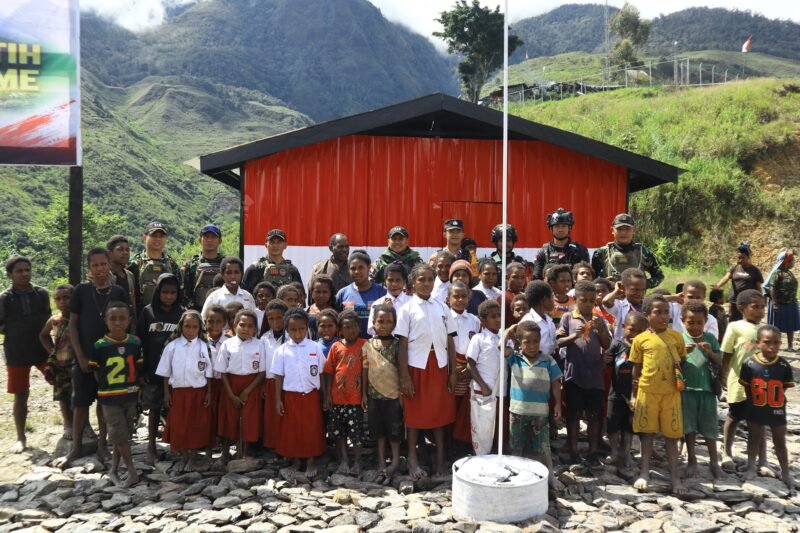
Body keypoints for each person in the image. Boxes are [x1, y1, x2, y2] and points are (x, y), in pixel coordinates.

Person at [55, 249, 129, 469]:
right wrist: (80, 355)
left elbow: (126, 324)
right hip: (84, 356)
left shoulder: (118, 291)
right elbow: (73, 325)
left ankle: (102, 446)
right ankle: (76, 447)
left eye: (103, 264)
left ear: (109, 264)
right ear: (89, 268)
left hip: (110, 358)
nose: (100, 269)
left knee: (104, 402)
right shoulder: (81, 291)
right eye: (95, 265)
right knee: (80, 403)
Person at [397, 263, 457, 479]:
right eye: (421, 279)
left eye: (430, 279)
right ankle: (413, 461)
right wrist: (404, 376)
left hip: (439, 366)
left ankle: (440, 460)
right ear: (413, 282)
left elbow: (450, 339)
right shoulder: (406, 309)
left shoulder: (442, 307)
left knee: (439, 414)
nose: (426, 283)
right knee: (414, 416)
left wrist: (452, 371)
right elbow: (402, 345)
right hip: (416, 367)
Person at [629, 294, 687, 495]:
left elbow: (682, 362)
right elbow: (636, 369)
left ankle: (675, 477)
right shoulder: (640, 340)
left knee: (672, 437)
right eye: (658, 312)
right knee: (647, 435)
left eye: (666, 312)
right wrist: (634, 395)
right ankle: (644, 472)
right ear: (646, 315)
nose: (663, 316)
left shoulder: (676, 337)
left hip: (671, 394)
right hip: (647, 393)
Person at [503, 321, 563, 490]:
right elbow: (501, 345)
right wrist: (509, 330)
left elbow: (556, 383)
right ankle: (515, 476)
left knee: (543, 447)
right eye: (526, 341)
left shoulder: (547, 360)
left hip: (540, 413)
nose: (531, 345)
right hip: (517, 411)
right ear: (519, 342)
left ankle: (550, 476)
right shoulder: (515, 358)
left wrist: (558, 405)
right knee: (516, 446)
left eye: (536, 341)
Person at [556, 281, 611, 465]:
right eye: (584, 300)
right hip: (574, 375)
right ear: (576, 300)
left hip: (595, 375)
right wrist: (574, 336)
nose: (588, 304)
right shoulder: (568, 318)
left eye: (591, 300)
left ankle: (593, 450)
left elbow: (607, 345)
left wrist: (602, 330)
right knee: (573, 414)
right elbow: (559, 341)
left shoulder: (598, 320)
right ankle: (572, 449)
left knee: (595, 415)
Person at [89, 301, 143, 487]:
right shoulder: (99, 346)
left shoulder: (135, 342)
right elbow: (97, 373)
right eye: (113, 319)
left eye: (122, 318)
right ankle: (131, 471)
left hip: (130, 396)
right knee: (118, 434)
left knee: (123, 436)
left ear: (129, 320)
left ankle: (113, 470)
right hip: (110, 398)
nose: (118, 323)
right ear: (106, 321)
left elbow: (139, 368)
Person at [0, 256, 51, 453]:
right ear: (10, 274)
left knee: (62, 385)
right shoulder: (5, 298)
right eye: (19, 271)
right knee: (21, 395)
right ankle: (21, 438)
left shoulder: (41, 294)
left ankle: (69, 427)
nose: (24, 274)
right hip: (16, 351)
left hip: (42, 348)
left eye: (27, 270)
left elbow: (48, 317)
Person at [739, 325, 796, 494]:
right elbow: (747, 387)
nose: (772, 346)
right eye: (767, 342)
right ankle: (751, 466)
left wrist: (773, 399)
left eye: (776, 343)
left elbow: (784, 387)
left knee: (780, 441)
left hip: (777, 408)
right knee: (754, 437)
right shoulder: (749, 363)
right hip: (755, 407)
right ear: (757, 343)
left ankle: (785, 472)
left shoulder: (784, 365)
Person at [271, 308, 328, 479]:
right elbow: (278, 377)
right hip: (291, 396)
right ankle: (296, 461)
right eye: (293, 330)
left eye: (301, 329)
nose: (298, 333)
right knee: (292, 429)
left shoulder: (315, 348)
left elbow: (322, 373)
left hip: (310, 396)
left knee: (311, 428)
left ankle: (310, 461)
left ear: (307, 329)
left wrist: (325, 397)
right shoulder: (281, 350)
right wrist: (278, 400)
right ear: (287, 330)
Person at [136, 273, 184, 466]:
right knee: (154, 409)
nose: (169, 296)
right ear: (158, 292)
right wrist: (141, 370)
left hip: (177, 373)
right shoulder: (148, 312)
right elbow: (139, 340)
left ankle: (178, 445)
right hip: (153, 370)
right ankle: (151, 448)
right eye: (165, 292)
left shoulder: (182, 313)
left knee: (176, 409)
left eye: (173, 293)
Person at [156, 310, 213, 472]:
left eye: (194, 327)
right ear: (181, 327)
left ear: (199, 328)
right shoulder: (172, 346)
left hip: (199, 393)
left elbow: (208, 372)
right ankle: (184, 456)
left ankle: (193, 457)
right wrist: (167, 393)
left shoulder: (204, 346)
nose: (190, 330)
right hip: (179, 393)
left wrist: (209, 392)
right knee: (180, 425)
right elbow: (165, 372)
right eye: (187, 326)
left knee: (196, 425)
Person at [720, 289, 767, 470]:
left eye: (763, 307)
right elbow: (727, 353)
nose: (760, 311)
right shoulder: (735, 327)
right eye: (755, 307)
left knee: (759, 423)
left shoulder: (766, 330)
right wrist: (723, 375)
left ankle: (760, 460)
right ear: (742, 308)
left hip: (761, 385)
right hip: (739, 382)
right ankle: (726, 453)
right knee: (734, 417)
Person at [680, 301, 724, 479]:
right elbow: (673, 363)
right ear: (683, 321)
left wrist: (710, 352)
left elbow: (720, 362)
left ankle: (714, 463)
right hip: (686, 389)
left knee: (710, 428)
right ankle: (692, 460)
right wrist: (683, 353)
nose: (695, 326)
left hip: (706, 390)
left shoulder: (710, 339)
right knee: (688, 427)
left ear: (705, 321)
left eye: (699, 323)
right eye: (691, 322)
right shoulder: (679, 339)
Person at [215, 309, 265, 459]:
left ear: (255, 329)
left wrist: (247, 391)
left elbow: (262, 371)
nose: (246, 329)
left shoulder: (259, 345)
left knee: (249, 419)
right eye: (242, 325)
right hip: (231, 385)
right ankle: (226, 451)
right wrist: (230, 394)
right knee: (230, 417)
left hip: (252, 386)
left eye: (250, 326)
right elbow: (222, 371)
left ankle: (245, 451)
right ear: (234, 325)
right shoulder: (227, 344)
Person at [323, 310, 367, 475]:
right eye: (347, 327)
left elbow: (366, 372)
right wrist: (327, 395)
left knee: (356, 432)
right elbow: (329, 371)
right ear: (340, 330)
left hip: (355, 398)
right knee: (338, 431)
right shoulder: (336, 346)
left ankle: (357, 461)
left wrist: (364, 395)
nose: (351, 330)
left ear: (359, 328)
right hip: (337, 398)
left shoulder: (364, 345)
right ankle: (343, 460)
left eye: (354, 327)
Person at [363, 304, 404, 479]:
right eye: (380, 321)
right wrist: (364, 393)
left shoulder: (397, 345)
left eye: (389, 322)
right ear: (373, 323)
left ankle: (395, 461)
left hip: (393, 396)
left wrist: (402, 395)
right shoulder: (368, 344)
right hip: (374, 396)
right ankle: (381, 460)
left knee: (394, 431)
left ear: (395, 325)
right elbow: (364, 369)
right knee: (378, 431)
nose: (384, 325)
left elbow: (402, 371)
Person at [606, 312, 648, 476]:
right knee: (612, 424)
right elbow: (607, 362)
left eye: (640, 331)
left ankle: (626, 454)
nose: (635, 334)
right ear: (623, 327)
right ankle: (614, 450)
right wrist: (604, 360)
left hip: (635, 393)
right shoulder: (617, 345)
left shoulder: (645, 347)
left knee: (629, 425)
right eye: (631, 329)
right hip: (616, 392)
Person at [39, 284, 75, 441]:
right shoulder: (55, 320)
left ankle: (83, 424)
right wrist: (51, 351)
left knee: (78, 396)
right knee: (62, 396)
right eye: (58, 299)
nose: (62, 302)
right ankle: (67, 424)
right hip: (59, 365)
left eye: (67, 298)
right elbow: (43, 335)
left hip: (76, 364)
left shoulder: (78, 318)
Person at [466, 300, 502, 455]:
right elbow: (470, 364)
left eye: (499, 315)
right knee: (481, 426)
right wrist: (483, 385)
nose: (498, 319)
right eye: (493, 316)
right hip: (483, 390)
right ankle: (481, 455)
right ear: (483, 320)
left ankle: (495, 453)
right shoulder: (479, 339)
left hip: (499, 389)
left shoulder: (503, 337)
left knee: (495, 424)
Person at [591, 213, 664, 288]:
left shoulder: (644, 252)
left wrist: (644, 284)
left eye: (627, 229)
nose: (623, 232)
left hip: (636, 298)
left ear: (634, 230)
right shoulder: (601, 253)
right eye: (619, 229)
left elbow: (659, 276)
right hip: (610, 297)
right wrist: (603, 283)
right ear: (612, 230)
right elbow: (592, 278)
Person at [448, 281, 481, 445]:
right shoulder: (444, 319)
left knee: (465, 408)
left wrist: (469, 368)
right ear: (448, 298)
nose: (460, 300)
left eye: (463, 296)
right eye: (456, 296)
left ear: (469, 298)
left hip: (469, 369)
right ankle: (449, 444)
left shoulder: (474, 321)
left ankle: (462, 442)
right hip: (450, 369)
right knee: (449, 406)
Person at [129, 222, 182, 314]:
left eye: (161, 236)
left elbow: (180, 291)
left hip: (167, 314)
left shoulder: (172, 265)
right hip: (140, 313)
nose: (158, 239)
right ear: (144, 237)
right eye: (153, 235)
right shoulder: (134, 263)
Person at [336, 251, 387, 339]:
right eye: (353, 268)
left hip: (375, 347)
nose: (357, 271)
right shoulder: (342, 294)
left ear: (369, 268)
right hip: (350, 348)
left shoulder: (382, 292)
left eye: (361, 268)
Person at [261, 301, 290, 450]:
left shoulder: (293, 335)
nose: (275, 322)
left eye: (279, 318)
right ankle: (275, 447)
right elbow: (262, 364)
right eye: (271, 319)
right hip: (271, 382)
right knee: (272, 416)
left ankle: (287, 445)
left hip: (289, 383)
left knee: (287, 415)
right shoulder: (265, 338)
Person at [532, 208, 590, 280]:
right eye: (557, 226)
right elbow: (536, 278)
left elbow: (587, 277)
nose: (560, 229)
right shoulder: (543, 252)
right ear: (551, 229)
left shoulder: (580, 250)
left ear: (569, 228)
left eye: (563, 226)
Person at [713, 242, 763, 322]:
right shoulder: (735, 268)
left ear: (748, 257)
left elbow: (758, 287)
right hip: (734, 301)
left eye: (743, 258)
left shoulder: (755, 271)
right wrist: (717, 286)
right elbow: (726, 277)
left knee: (748, 321)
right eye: (739, 258)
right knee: (733, 320)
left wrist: (761, 299)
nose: (740, 260)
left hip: (748, 302)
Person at [242, 229, 302, 293]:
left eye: (279, 242)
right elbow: (245, 295)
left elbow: (300, 296)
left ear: (285, 245)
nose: (275, 245)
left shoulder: (292, 270)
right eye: (272, 242)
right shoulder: (256, 268)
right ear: (266, 244)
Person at [204, 304, 227, 458]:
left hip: (223, 384)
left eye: (218, 322)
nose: (214, 325)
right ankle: (208, 450)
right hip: (206, 384)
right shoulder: (200, 341)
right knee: (208, 417)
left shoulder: (229, 342)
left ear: (224, 323)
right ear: (205, 322)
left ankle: (225, 450)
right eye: (210, 321)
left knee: (224, 416)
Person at [183, 225, 224, 312]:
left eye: (213, 237)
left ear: (220, 241)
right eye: (206, 237)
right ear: (199, 240)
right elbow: (185, 291)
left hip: (221, 311)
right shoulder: (191, 264)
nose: (209, 240)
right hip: (196, 310)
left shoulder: (226, 264)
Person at [766, 250, 799, 351]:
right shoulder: (777, 273)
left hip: (791, 303)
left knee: (790, 325)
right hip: (779, 303)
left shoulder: (789, 273)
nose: (794, 262)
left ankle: (790, 346)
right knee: (776, 326)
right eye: (792, 260)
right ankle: (774, 345)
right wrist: (775, 303)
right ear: (786, 262)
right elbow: (772, 288)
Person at [602, 268, 647, 340]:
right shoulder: (620, 306)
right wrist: (617, 290)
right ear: (623, 287)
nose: (639, 293)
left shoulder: (647, 306)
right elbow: (606, 301)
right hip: (624, 346)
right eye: (635, 289)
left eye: (643, 290)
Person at [367, 263, 411, 335]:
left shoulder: (412, 302)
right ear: (385, 282)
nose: (394, 284)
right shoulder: (377, 304)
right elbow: (373, 332)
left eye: (398, 280)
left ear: (404, 282)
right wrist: (383, 312)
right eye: (390, 280)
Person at [308, 233, 352, 298]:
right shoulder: (319, 268)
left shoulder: (354, 269)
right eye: (340, 247)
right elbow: (311, 292)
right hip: (326, 307)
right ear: (331, 248)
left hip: (349, 306)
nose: (344, 250)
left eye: (347, 246)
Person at [107, 236, 137, 315]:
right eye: (120, 249)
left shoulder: (130, 275)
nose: (125, 253)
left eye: (127, 250)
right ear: (110, 253)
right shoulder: (105, 276)